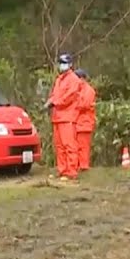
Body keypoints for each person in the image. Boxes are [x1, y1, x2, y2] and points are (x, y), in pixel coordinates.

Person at [46, 53, 83, 184]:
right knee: (59, 146)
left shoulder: (74, 80)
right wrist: (49, 102)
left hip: (68, 117)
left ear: (71, 64)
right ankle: (63, 170)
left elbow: (69, 96)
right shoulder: (59, 79)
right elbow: (55, 95)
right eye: (60, 62)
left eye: (64, 62)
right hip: (57, 117)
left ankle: (71, 171)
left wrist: (55, 102)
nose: (61, 64)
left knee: (69, 145)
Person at [75, 70, 97, 173]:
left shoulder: (88, 90)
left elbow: (84, 105)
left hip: (85, 122)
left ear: (82, 78)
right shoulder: (78, 89)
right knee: (77, 146)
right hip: (77, 122)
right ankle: (78, 165)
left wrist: (73, 106)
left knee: (83, 146)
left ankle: (83, 165)